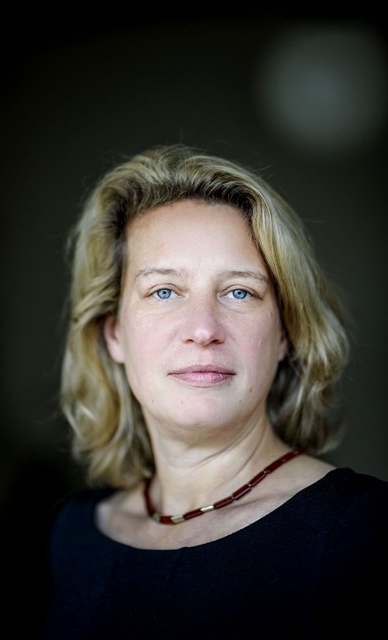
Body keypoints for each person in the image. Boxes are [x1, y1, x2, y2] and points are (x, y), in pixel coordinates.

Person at [42, 143, 388, 639]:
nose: (203, 329)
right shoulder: (74, 535)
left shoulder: (364, 532)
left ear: (285, 333)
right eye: (164, 291)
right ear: (113, 333)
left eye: (239, 291)